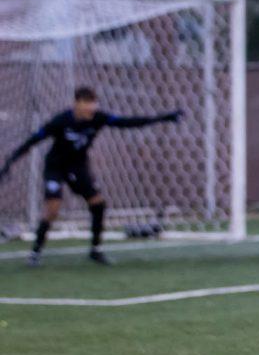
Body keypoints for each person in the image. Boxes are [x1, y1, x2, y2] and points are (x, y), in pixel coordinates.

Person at [0, 86, 181, 266]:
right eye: (87, 103)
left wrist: (163, 118)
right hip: (55, 168)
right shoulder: (61, 121)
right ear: (76, 103)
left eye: (93, 103)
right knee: (53, 209)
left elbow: (128, 122)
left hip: (78, 167)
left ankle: (95, 251)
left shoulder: (98, 118)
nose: (91, 108)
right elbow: (34, 139)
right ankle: (35, 253)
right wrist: (10, 162)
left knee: (98, 204)